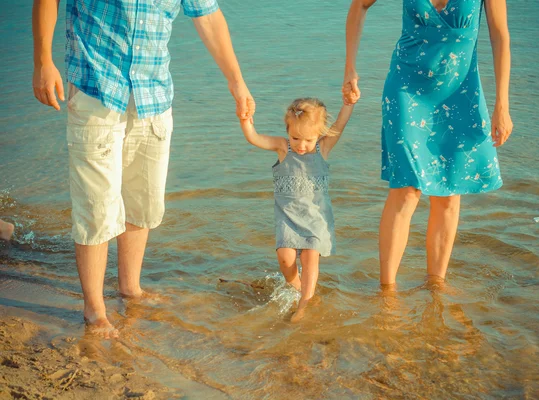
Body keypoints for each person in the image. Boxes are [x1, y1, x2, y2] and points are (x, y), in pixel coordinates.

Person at [32, 0, 255, 337]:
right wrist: (43, 61)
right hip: (97, 88)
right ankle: (94, 310)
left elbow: (208, 17)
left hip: (153, 94)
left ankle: (130, 289)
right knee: (97, 205)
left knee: (143, 200)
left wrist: (236, 81)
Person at [343, 0, 513, 288]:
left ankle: (436, 287)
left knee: (448, 193)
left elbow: (499, 35)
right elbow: (360, 5)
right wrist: (350, 67)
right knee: (406, 189)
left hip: (460, 91)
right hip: (406, 88)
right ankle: (387, 293)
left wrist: (502, 103)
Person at [240, 98, 354, 321]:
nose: (301, 145)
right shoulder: (283, 148)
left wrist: (348, 104)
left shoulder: (323, 148)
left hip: (316, 218)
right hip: (287, 217)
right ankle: (299, 288)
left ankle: (305, 302)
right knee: (285, 259)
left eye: (308, 140)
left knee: (311, 256)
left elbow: (340, 124)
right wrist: (245, 120)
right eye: (295, 138)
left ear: (319, 134)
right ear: (287, 130)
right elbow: (254, 138)